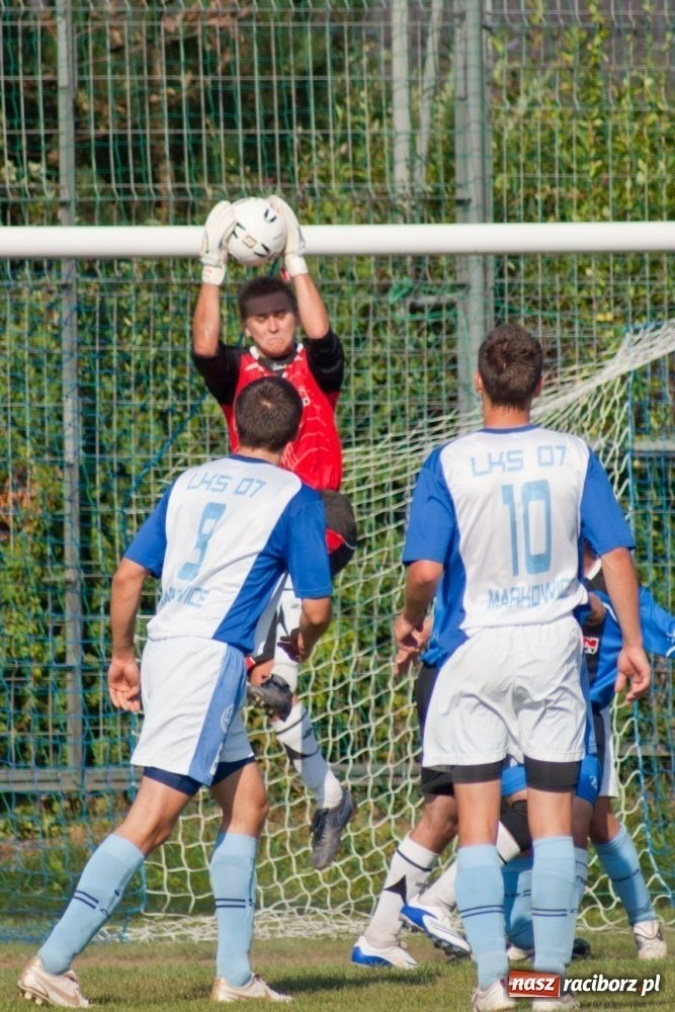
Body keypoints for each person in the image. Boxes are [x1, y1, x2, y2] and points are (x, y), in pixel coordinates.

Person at [18, 377, 333, 1008]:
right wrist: (300, 642)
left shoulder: (191, 480)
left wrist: (123, 654)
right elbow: (318, 607)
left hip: (168, 646)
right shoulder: (295, 495)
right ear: (296, 437)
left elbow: (130, 571)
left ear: (236, 426)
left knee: (248, 801)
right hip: (208, 661)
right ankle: (52, 963)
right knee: (153, 817)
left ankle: (236, 976)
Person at [392, 323, 651, 1012]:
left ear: (478, 382)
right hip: (548, 650)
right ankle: (549, 989)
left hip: (473, 654)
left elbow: (423, 568)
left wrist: (412, 614)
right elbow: (616, 556)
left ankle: (489, 987)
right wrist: (630, 641)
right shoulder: (572, 454)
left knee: (476, 823)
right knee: (551, 816)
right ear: (540, 385)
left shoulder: (446, 460)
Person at [192, 196, 356, 870]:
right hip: (255, 527)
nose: (273, 325)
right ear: (248, 327)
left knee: (277, 664)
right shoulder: (235, 374)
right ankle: (330, 794)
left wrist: (295, 258)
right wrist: (209, 265)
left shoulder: (315, 370)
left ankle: (283, 672)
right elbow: (204, 344)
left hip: (319, 513)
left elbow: (322, 335)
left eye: (279, 313)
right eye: (260, 319)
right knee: (258, 676)